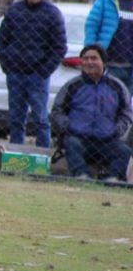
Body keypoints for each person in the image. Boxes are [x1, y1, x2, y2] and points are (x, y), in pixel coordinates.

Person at [0, 0, 67, 148]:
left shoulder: (52, 14)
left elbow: (59, 47)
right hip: (15, 75)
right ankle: (15, 157)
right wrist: (8, 67)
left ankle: (43, 158)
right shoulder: (14, 11)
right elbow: (2, 40)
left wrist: (43, 71)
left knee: (41, 119)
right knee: (15, 119)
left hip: (38, 76)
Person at [50, 44, 133, 181]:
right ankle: (82, 176)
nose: (89, 62)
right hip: (78, 139)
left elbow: (127, 113)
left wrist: (117, 130)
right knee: (71, 144)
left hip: (107, 140)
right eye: (85, 58)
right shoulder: (72, 85)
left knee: (124, 151)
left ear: (103, 62)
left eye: (94, 58)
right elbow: (57, 111)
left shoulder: (117, 86)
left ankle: (111, 179)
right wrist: (67, 127)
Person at [84, 0, 133, 92]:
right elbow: (91, 25)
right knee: (107, 105)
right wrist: (92, 55)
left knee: (127, 109)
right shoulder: (106, 0)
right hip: (109, 66)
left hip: (131, 69)